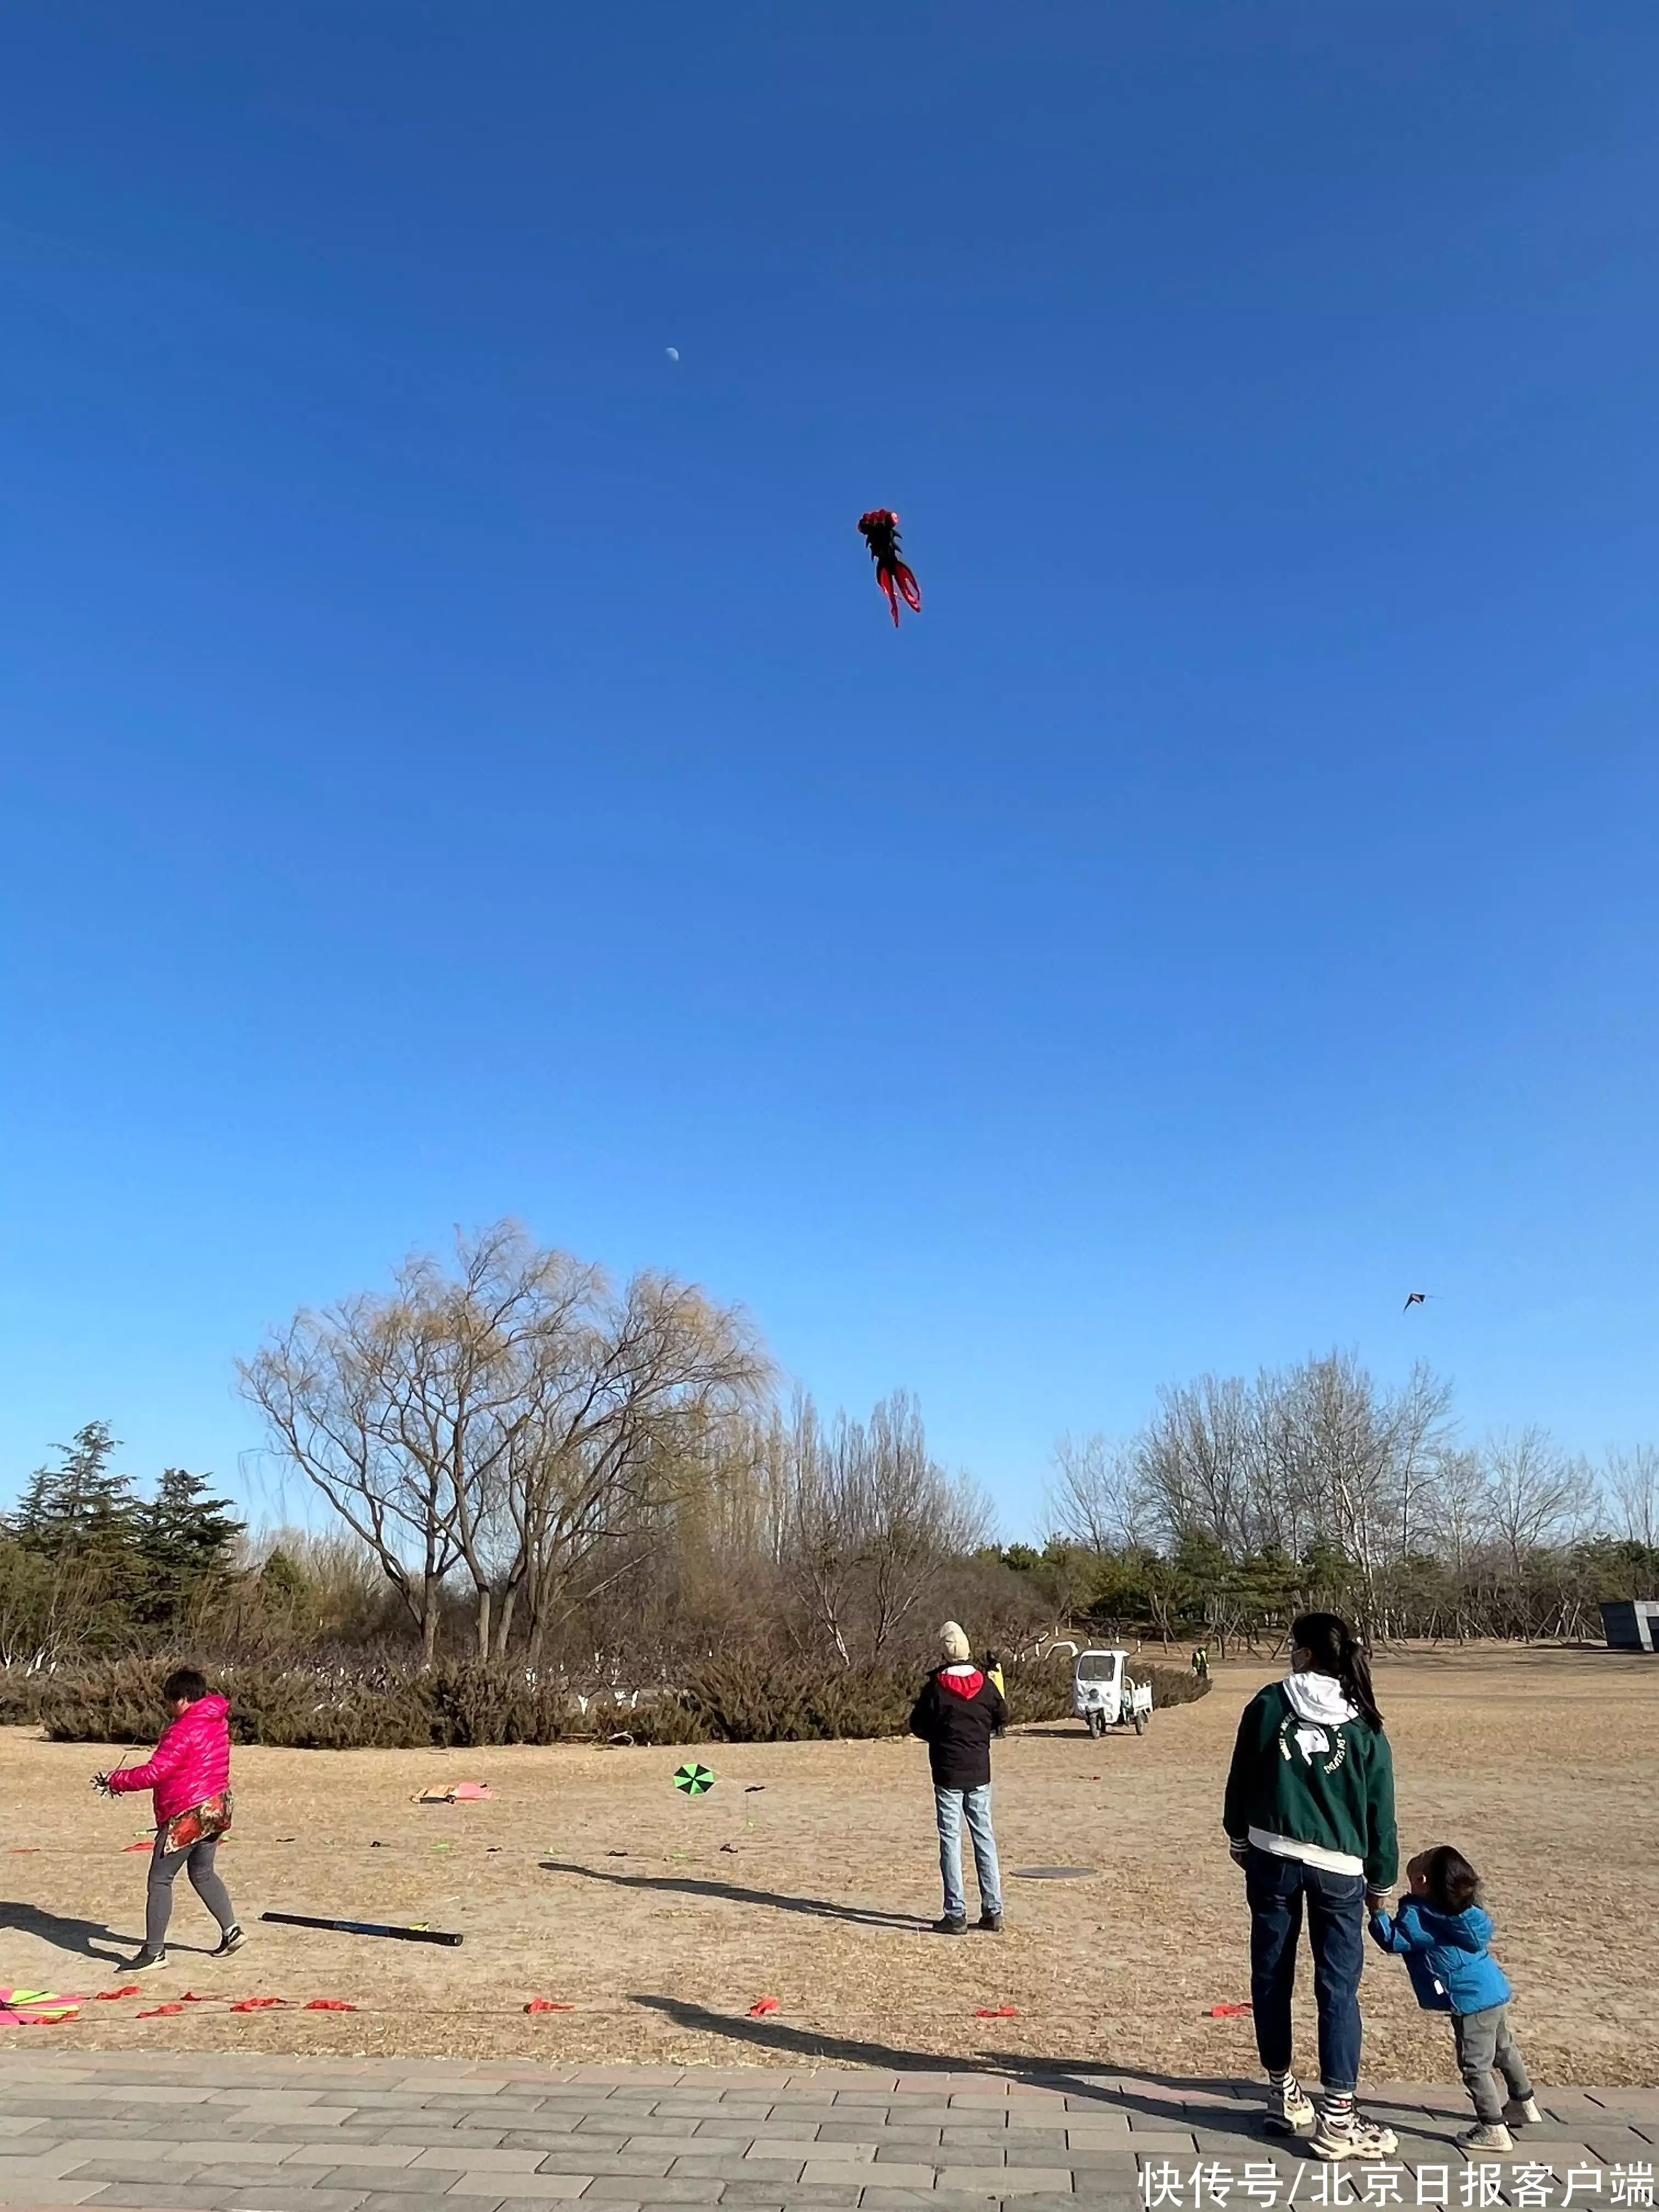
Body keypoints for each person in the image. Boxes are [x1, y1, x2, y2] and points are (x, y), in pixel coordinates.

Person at [1222, 1612, 1398, 2162]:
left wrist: (1238, 1836)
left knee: (1271, 1976)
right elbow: (1380, 1812)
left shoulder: (1269, 1705)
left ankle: (1282, 2091)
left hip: (1272, 1857)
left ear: (1304, 1653)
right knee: (1338, 1990)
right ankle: (1339, 2118)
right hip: (1340, 1870)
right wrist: (1382, 1880)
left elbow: (1241, 1777)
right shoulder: (1365, 1724)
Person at [1369, 1844, 1543, 2152]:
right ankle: (1523, 2102)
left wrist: (1377, 1912)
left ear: (1422, 1881)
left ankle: (1492, 2128)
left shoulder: (1421, 1916)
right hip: (1492, 1990)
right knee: (1504, 2048)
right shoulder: (1466, 1912)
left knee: (1475, 2065)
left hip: (1469, 2000)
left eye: (1424, 1857)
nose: (1420, 1853)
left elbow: (1394, 1940)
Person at [94, 1667, 243, 1972]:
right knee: (202, 1873)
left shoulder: (183, 1730)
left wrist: (116, 1781)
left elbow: (155, 1772)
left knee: (160, 1879)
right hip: (218, 1807)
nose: (168, 1708)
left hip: (190, 1813)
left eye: (170, 1701)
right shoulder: (216, 1720)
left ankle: (154, 1953)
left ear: (183, 1699)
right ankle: (232, 1931)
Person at [909, 1621, 1008, 1935]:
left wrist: (938, 1738)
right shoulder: (985, 1683)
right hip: (979, 1771)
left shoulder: (936, 1687)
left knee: (950, 1841)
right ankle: (994, 1909)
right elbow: (1003, 1716)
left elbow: (918, 1724)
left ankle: (955, 1913)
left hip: (948, 1771)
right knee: (984, 1838)